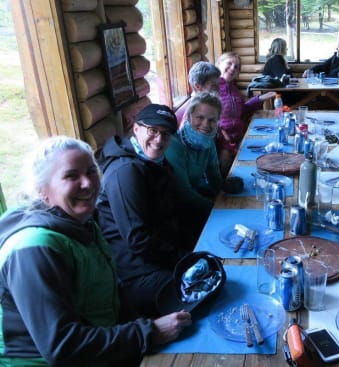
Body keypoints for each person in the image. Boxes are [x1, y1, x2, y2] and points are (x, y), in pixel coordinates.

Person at [0, 136, 191, 366]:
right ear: (42, 190)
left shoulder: (82, 223)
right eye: (71, 176)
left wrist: (144, 326)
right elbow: (62, 346)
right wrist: (149, 332)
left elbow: (113, 295)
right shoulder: (34, 248)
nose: (88, 183)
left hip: (97, 345)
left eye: (91, 171)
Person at [96, 103, 193, 318]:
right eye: (153, 130)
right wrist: (183, 258)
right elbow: (138, 239)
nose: (159, 140)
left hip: (158, 259)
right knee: (198, 292)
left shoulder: (155, 162)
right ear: (136, 128)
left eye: (166, 134)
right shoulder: (126, 171)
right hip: (135, 274)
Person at [166, 92, 223, 235]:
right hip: (173, 212)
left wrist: (225, 194)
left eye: (212, 120)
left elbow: (214, 176)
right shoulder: (174, 145)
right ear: (190, 116)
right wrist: (218, 209)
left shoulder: (208, 142)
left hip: (195, 201)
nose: (206, 124)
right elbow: (183, 193)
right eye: (200, 117)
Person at [217, 52, 275, 177]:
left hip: (240, 138)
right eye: (229, 63)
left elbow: (243, 111)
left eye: (236, 67)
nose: (232, 68)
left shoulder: (234, 90)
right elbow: (211, 120)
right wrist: (226, 143)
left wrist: (259, 98)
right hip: (221, 142)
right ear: (219, 64)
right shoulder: (212, 88)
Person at [176, 61, 221, 129]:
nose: (218, 88)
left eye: (218, 84)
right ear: (197, 86)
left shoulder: (208, 102)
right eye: (213, 85)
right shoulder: (194, 107)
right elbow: (183, 131)